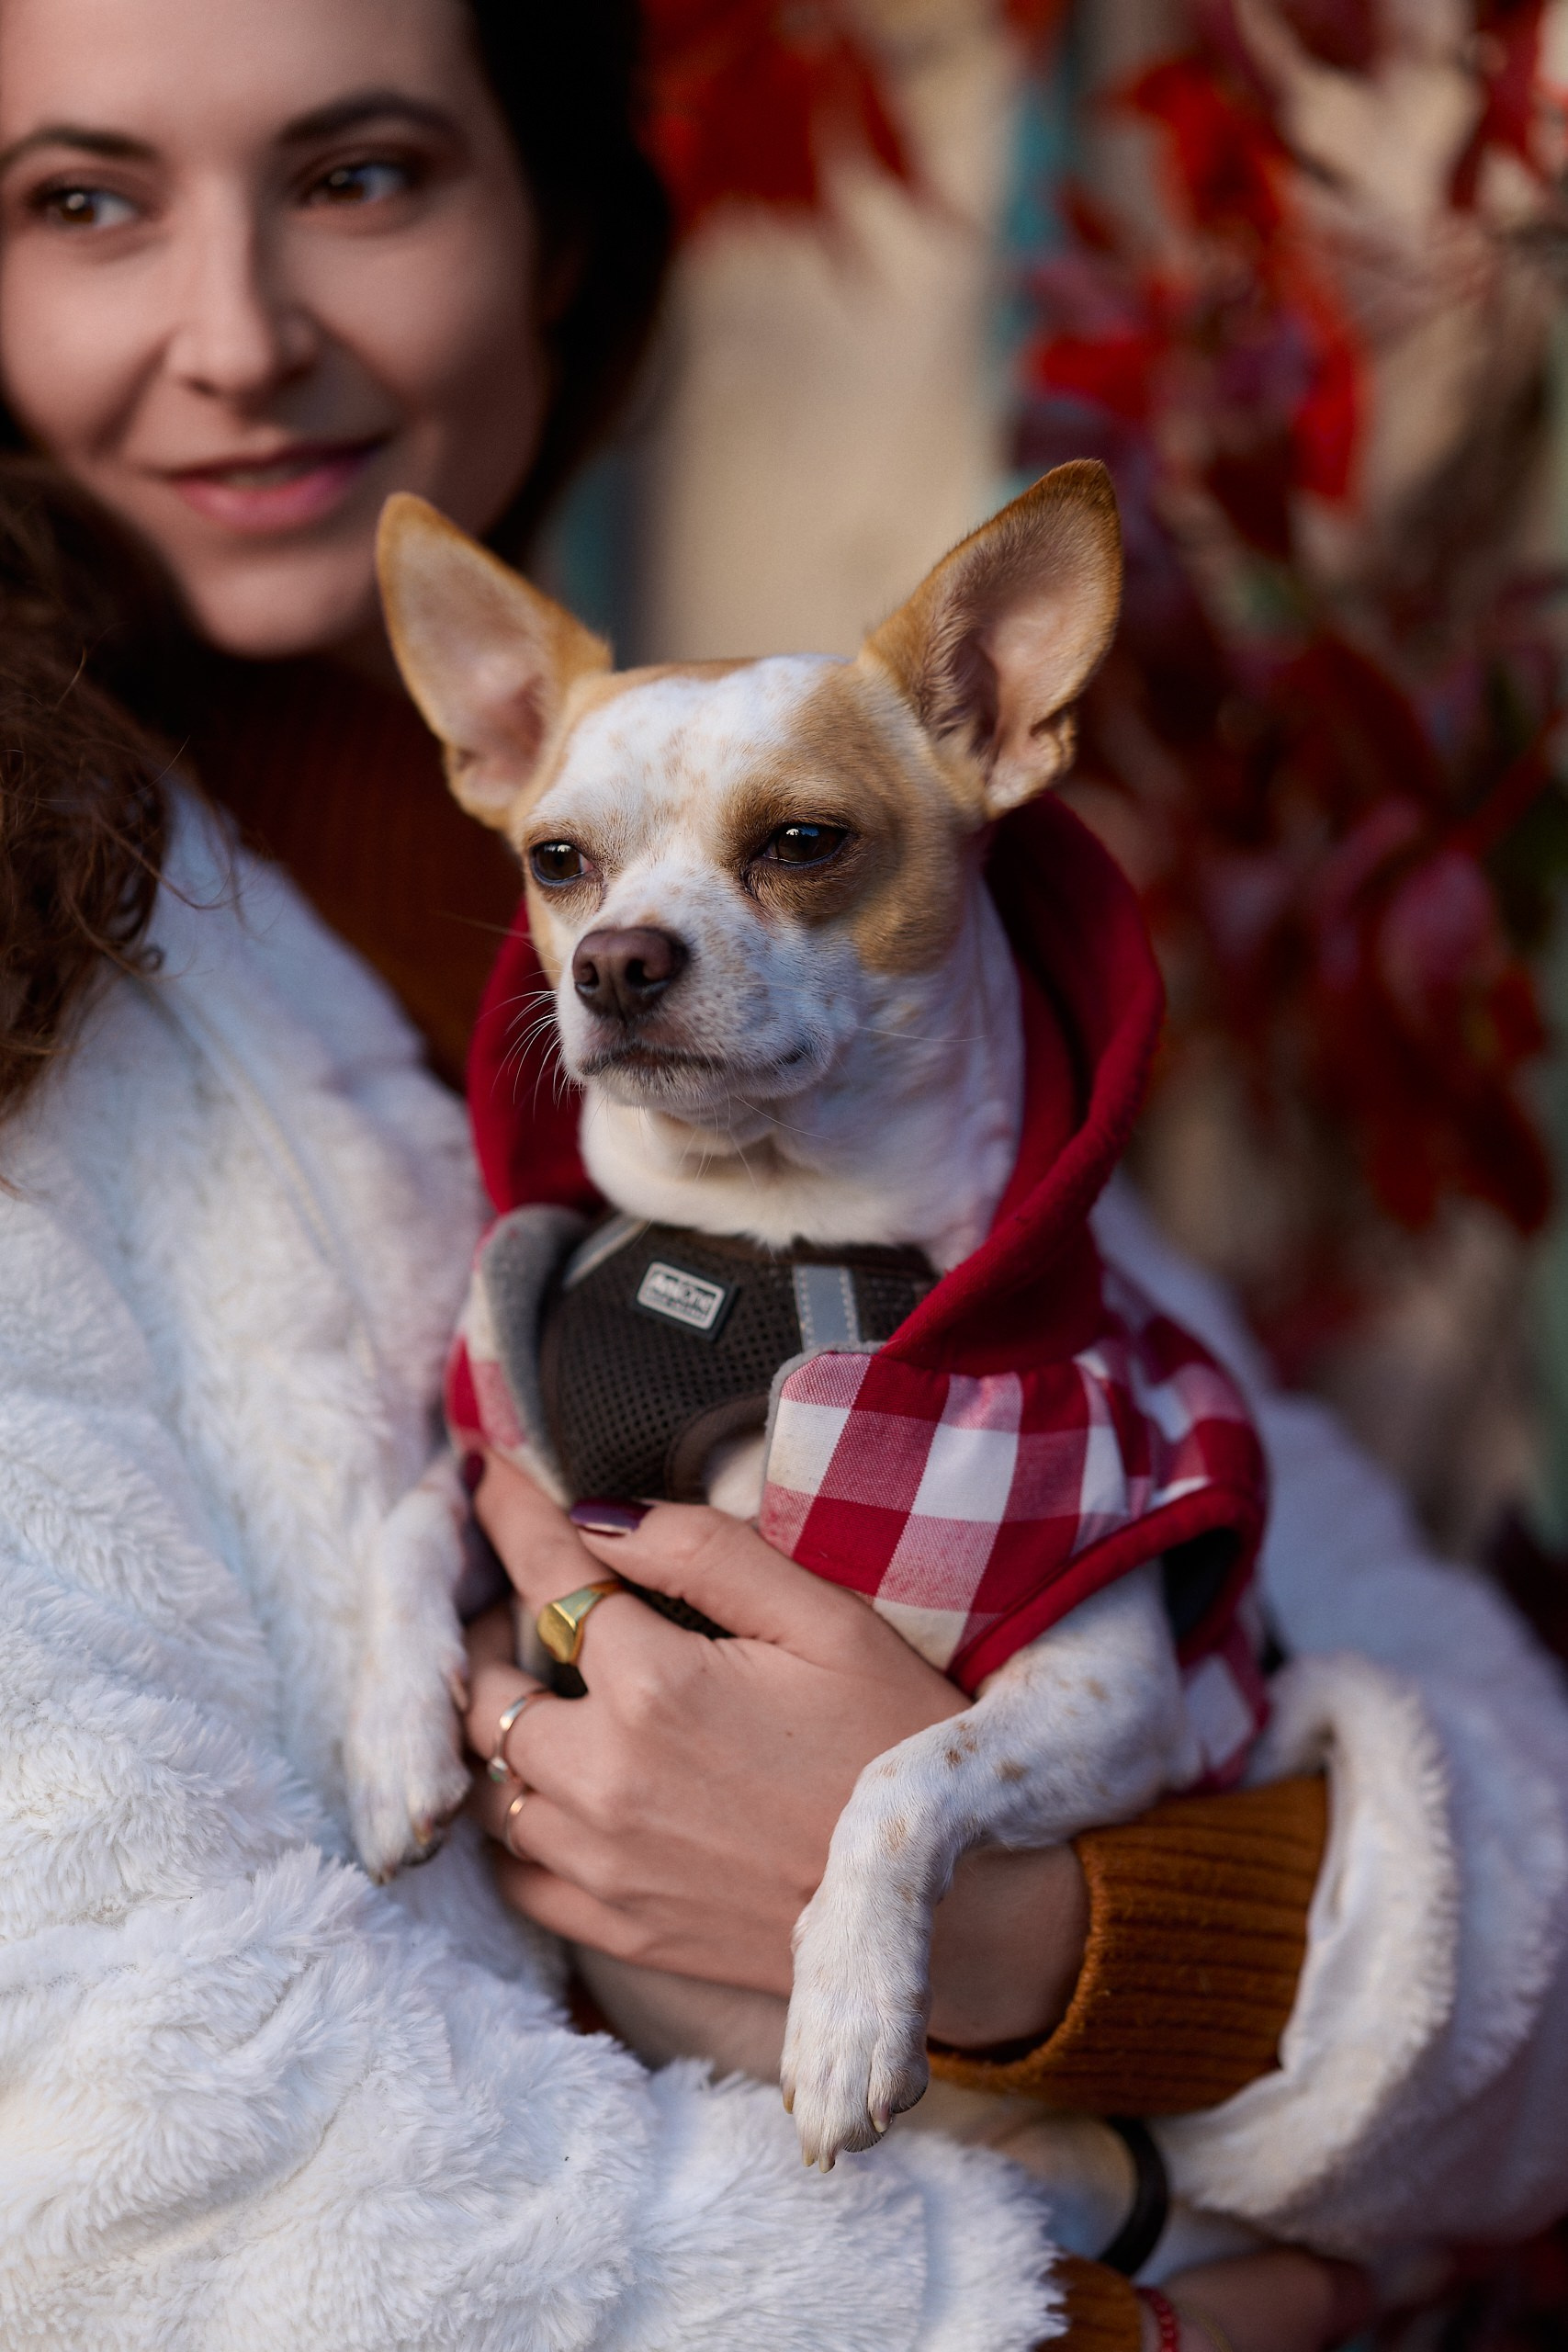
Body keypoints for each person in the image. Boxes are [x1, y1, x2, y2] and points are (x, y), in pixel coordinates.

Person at [0, 0, 1562, 2346]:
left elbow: (1532, 1922)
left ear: (556, 238)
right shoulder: (35, 1005)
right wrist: (1097, 2331)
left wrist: (1045, 1932)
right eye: (82, 199)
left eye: (358, 174)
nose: (238, 333)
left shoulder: (917, 1050)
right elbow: (103, 2144)